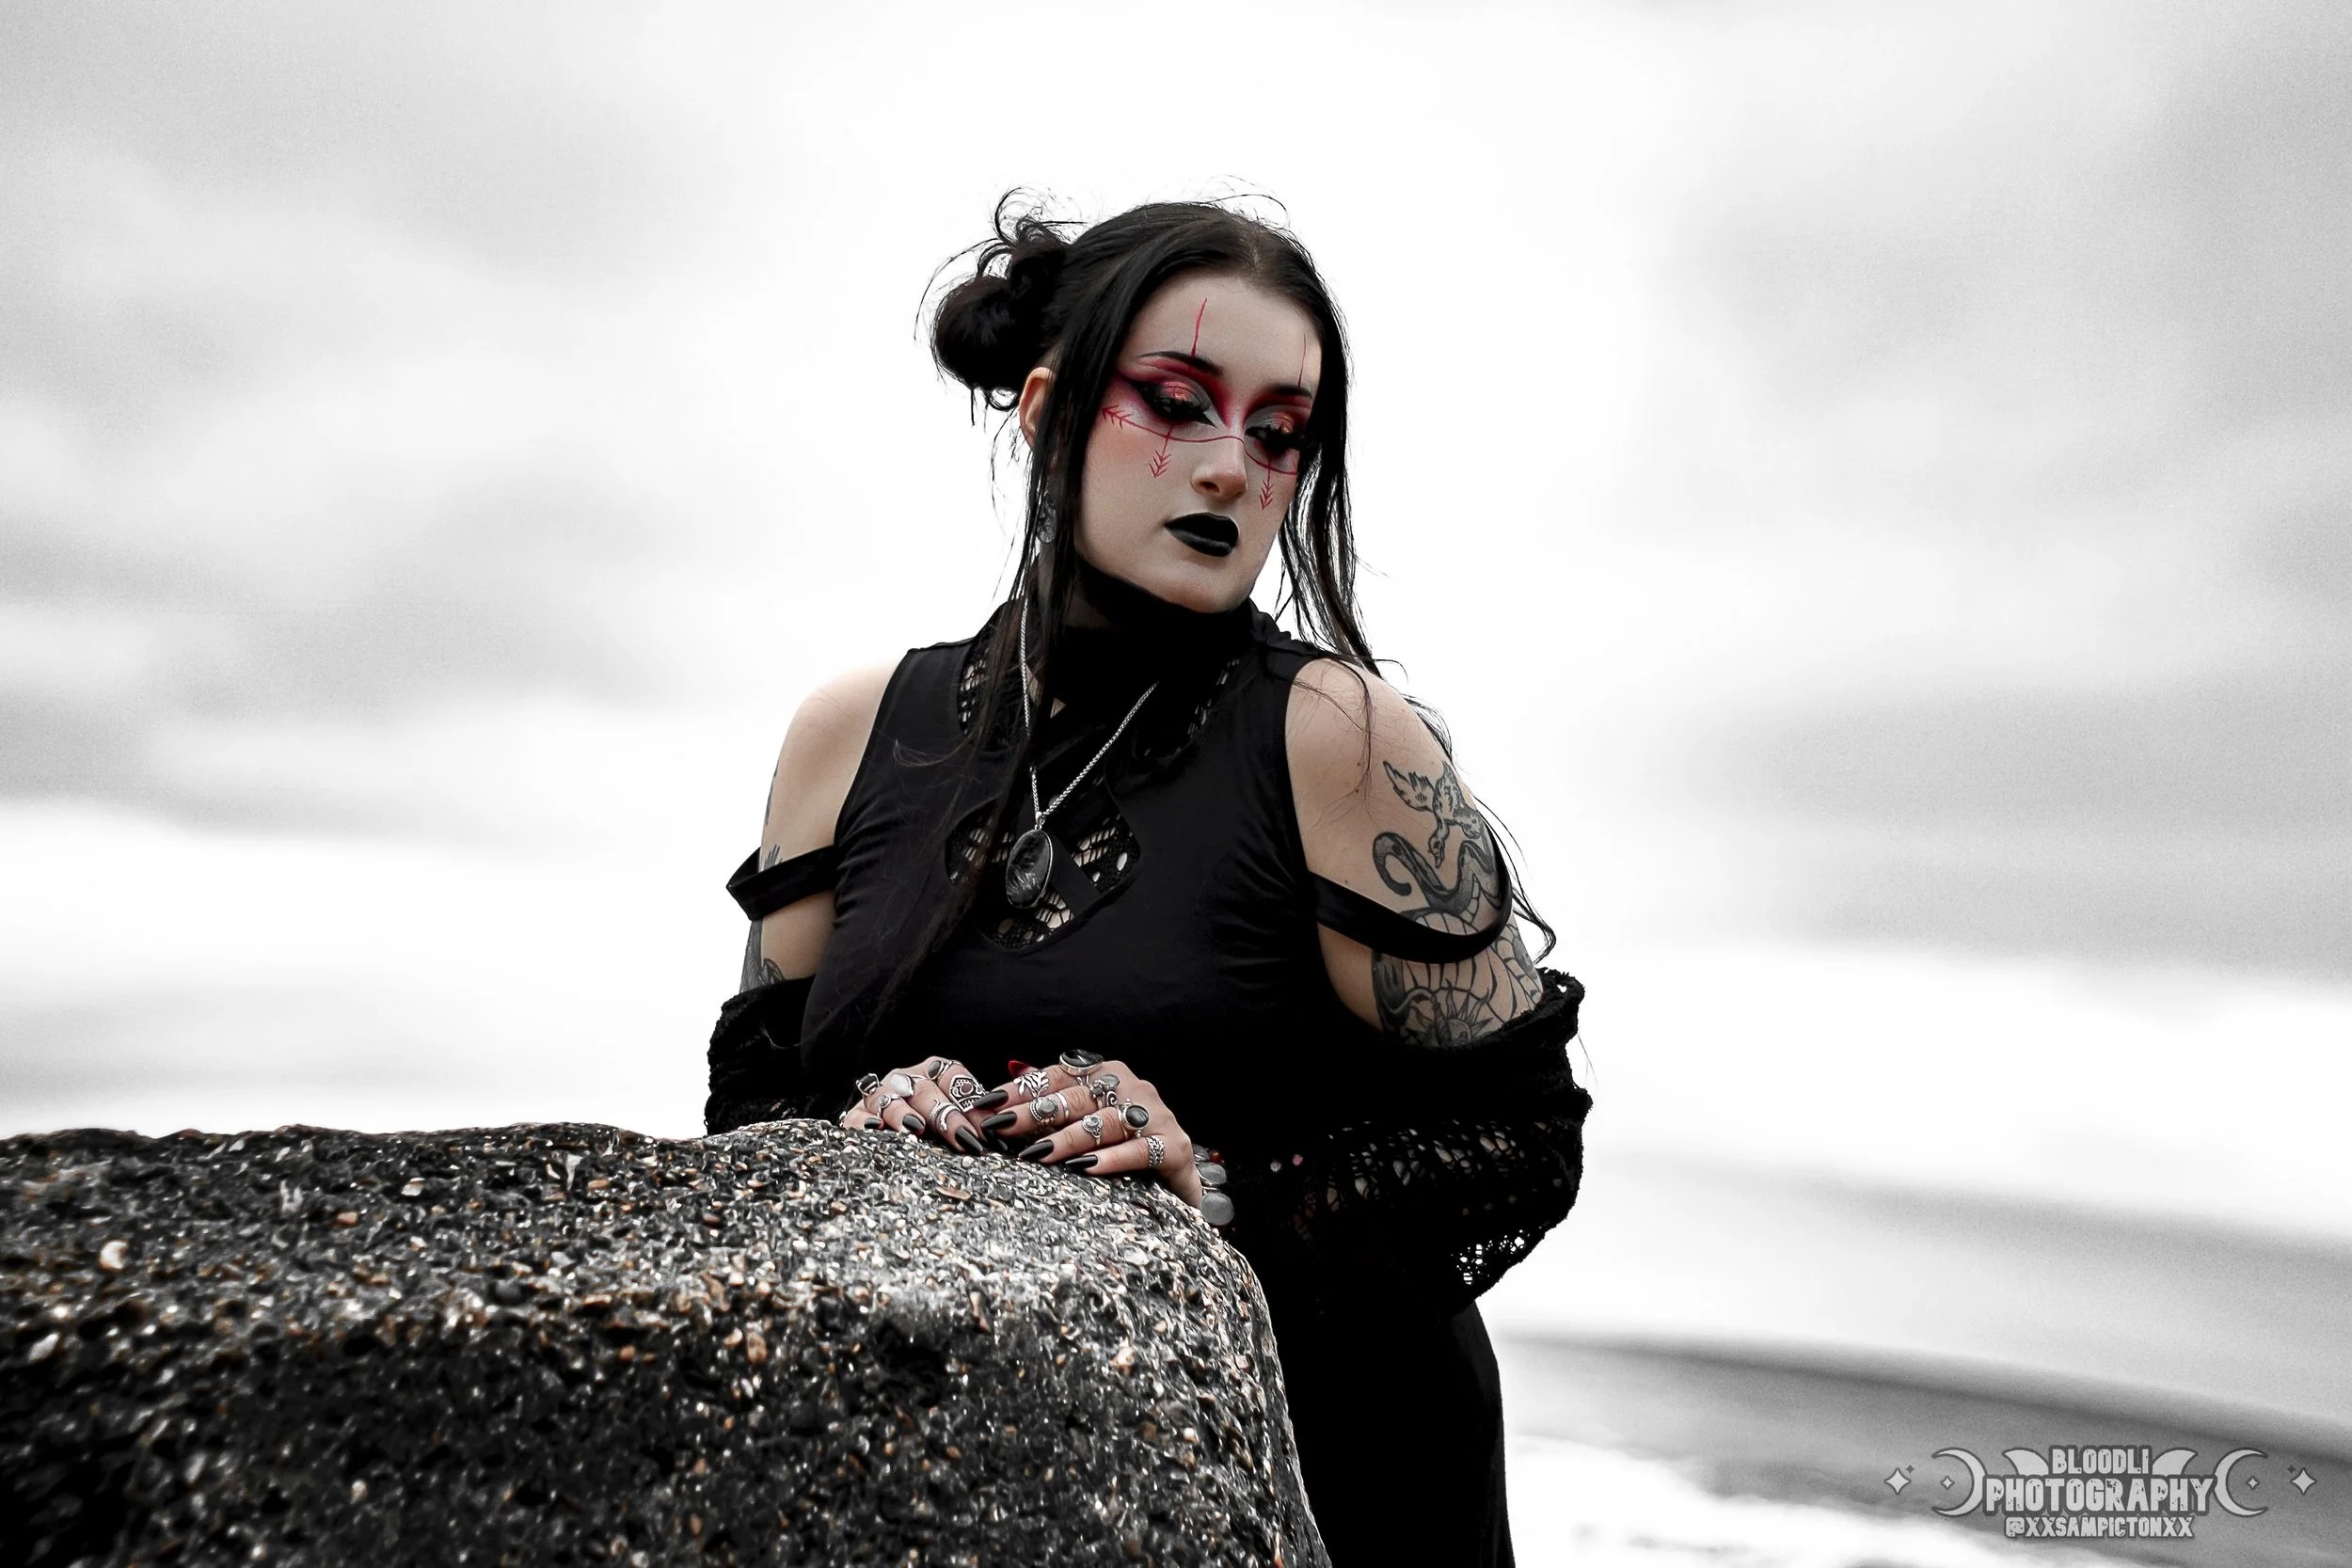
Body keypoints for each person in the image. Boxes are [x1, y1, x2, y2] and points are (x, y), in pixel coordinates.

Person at [704, 194, 1592, 1567]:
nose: (1232, 468)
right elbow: (748, 1114)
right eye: (1178, 404)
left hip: (1330, 1491)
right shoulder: (851, 732)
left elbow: (1517, 1139)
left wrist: (1213, 1186)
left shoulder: (1339, 740)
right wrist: (861, 1123)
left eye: (1279, 432)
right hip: (959, 1497)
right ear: (1047, 411)